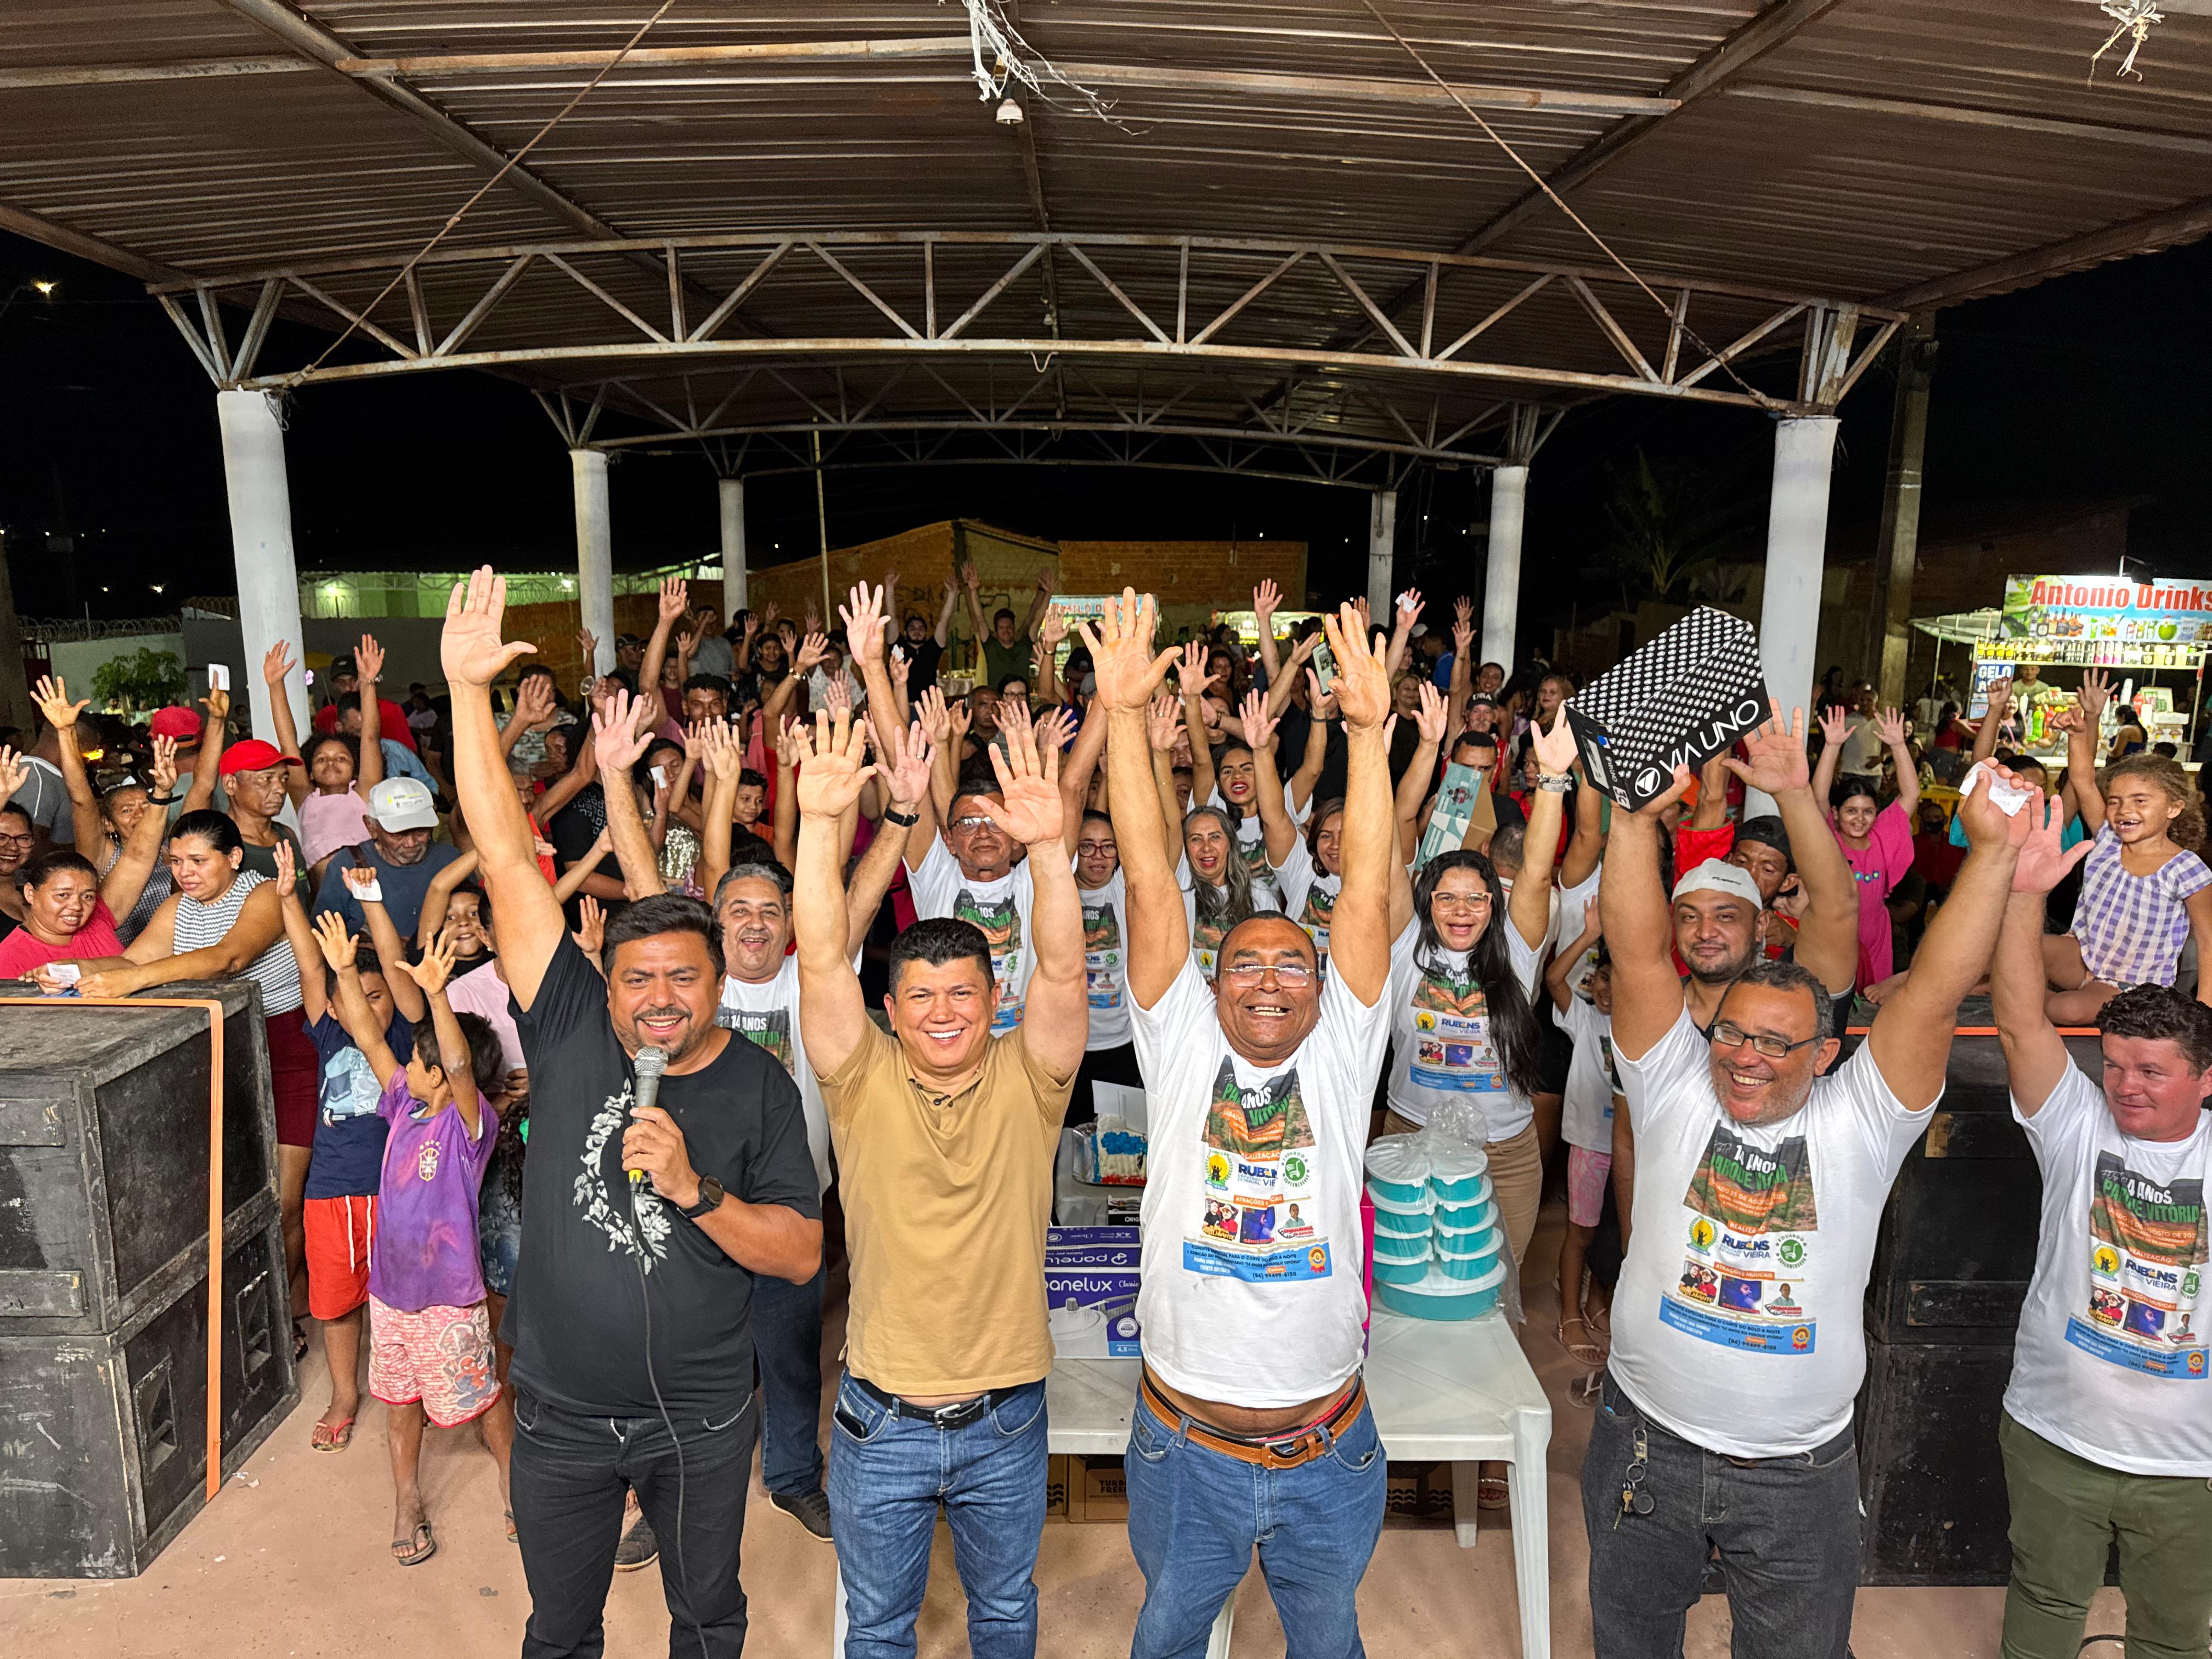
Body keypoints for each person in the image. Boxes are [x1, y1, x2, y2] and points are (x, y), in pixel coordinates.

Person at [441, 567, 821, 1658]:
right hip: (559, 1414)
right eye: (637, 978)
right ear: (599, 980)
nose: (660, 998)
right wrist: (467, 695)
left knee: (706, 1618)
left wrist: (696, 1191)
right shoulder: (566, 1022)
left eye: (684, 978)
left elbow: (798, 1255)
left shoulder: (757, 1083)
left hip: (701, 1418)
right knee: (560, 1629)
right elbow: (505, 855)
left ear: (721, 983)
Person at [1583, 750, 2037, 1659]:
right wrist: (1631, 816)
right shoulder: (1675, 1083)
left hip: (1796, 1473)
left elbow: (1933, 993)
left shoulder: (1863, 1116)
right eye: (1732, 1034)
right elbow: (1634, 954)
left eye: (1776, 1043)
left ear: (1825, 1054)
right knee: (1629, 1642)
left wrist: (1991, 852)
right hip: (1643, 1444)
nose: (1745, 1057)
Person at [1089, 591, 1396, 1659]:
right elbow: (1148, 878)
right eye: (1246, 962)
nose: (1269, 977)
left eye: (1294, 964)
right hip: (1185, 1448)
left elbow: (1365, 894)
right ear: (1212, 985)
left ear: (1326, 988)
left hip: (1329, 1446)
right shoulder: (1180, 1037)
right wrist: (1123, 719)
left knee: (1327, 1639)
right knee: (1170, 1633)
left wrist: (1368, 733)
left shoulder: (1343, 1049)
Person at [792, 701, 1085, 1659]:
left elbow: (1064, 973)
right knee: (878, 1626)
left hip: (1007, 1414)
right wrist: (820, 824)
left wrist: (1049, 852)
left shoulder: (1033, 1078)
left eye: (963, 991)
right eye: (920, 995)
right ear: (890, 1007)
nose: (943, 1011)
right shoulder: (858, 1077)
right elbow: (821, 960)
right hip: (880, 1417)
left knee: (1004, 1610)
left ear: (994, 1000)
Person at [1988, 795, 2212, 1659]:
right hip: (2056, 1435)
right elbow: (2020, 1020)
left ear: (2204, 1079)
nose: (2125, 1085)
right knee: (2044, 1607)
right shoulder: (2077, 1125)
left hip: (2190, 1464)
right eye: (2114, 1065)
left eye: (2152, 1071)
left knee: (2174, 1637)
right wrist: (2023, 896)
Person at [35, 809, 320, 1336]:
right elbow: (130, 961)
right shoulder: (177, 907)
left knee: (283, 1201)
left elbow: (228, 959)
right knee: (232, 1197)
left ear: (234, 858)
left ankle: (283, 1319)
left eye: (198, 861)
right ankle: (259, 1316)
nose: (185, 872)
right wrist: (69, 971)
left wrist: (134, 982)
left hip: (288, 1048)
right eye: (176, 862)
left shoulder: (262, 895)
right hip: (221, 1049)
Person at [312, 914, 511, 1564]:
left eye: (423, 1064)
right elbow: (370, 1036)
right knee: (399, 1400)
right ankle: (408, 1499)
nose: (410, 1069)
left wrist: (435, 995)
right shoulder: (403, 1100)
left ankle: (514, 1487)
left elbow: (456, 1061)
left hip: (449, 1296)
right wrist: (344, 970)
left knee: (483, 1398)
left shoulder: (468, 1127)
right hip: (392, 1292)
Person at [1379, 708, 1573, 1268]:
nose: (1461, 910)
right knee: (1407, 1278)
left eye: (1476, 898)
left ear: (1495, 904)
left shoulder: (1516, 948)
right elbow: (1396, 826)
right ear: (1427, 903)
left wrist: (1553, 780)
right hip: (1409, 1137)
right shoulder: (1405, 943)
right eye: (1446, 897)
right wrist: (1420, 751)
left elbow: (1536, 872)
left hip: (1505, 1153)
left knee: (1496, 1281)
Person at [2042, 671, 2212, 1024]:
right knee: (2010, 947)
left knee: (2064, 1010)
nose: (2124, 810)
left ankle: (2017, 995)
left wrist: (2204, 1009)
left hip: (2130, 986)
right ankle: (2011, 990)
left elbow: (2208, 940)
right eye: (2115, 801)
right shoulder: (2107, 839)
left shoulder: (2186, 868)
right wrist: (2082, 728)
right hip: (2081, 958)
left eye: (2140, 800)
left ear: (2174, 808)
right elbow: (2082, 779)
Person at [1547, 898, 1620, 1373]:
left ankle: (1597, 1300)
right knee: (1581, 1231)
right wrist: (1590, 936)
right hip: (1592, 1145)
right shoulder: (1586, 1018)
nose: (1606, 988)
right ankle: (1570, 1313)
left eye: (1617, 979)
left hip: (1631, 1148)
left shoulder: (1645, 1026)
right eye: (1601, 978)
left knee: (1615, 1233)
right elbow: (1555, 979)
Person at [1811, 703, 1920, 991]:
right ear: (1836, 814)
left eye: (1868, 812)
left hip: (1877, 938)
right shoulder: (1830, 839)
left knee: (1873, 1003)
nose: (1860, 819)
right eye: (1851, 811)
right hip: (1837, 938)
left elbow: (1911, 794)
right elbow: (1819, 797)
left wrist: (1898, 745)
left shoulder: (1882, 836)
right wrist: (1832, 746)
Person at [311, 778, 462, 938]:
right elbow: (323, 934)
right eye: (398, 834)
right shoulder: (347, 865)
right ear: (371, 827)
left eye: (421, 832)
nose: (411, 843)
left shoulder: (451, 861)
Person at [963, 562, 1054, 692]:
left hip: (1022, 702)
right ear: (996, 632)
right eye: (1001, 627)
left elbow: (1037, 620)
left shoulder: (1024, 646)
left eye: (1009, 626)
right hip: (997, 702)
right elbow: (980, 619)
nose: (1006, 630)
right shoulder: (991, 646)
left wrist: (1048, 594)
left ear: (1014, 628)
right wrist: (973, 590)